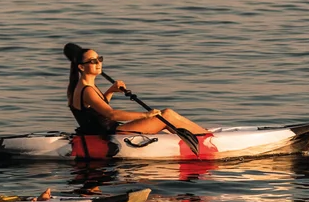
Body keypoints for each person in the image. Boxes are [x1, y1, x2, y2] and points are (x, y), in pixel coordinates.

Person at [65, 45, 208, 136]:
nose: (98, 63)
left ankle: (199, 133)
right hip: (113, 133)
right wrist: (145, 115)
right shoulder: (87, 90)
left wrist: (111, 91)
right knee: (167, 115)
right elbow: (111, 114)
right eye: (93, 61)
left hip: (111, 130)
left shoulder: (84, 86)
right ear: (81, 67)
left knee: (167, 115)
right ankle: (205, 137)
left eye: (99, 59)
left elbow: (96, 109)